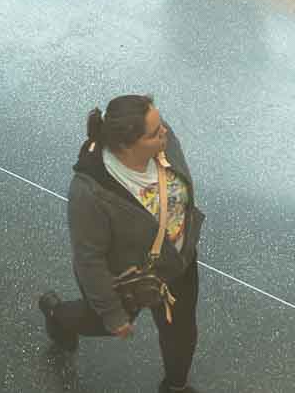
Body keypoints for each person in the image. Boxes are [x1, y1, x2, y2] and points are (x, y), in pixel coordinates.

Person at [38, 95, 205, 393]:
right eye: (154, 133)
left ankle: (176, 386)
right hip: (128, 277)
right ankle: (57, 315)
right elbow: (89, 260)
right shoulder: (90, 193)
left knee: (180, 331)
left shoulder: (163, 140)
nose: (165, 131)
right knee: (101, 323)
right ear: (128, 145)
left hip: (176, 261)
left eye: (161, 123)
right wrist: (114, 315)